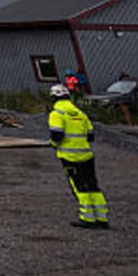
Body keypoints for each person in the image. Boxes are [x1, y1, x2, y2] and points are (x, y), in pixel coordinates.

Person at [47, 85, 108, 229]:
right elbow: (91, 136)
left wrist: (53, 144)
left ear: (54, 98)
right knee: (92, 185)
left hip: (69, 156)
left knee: (79, 187)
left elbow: (57, 135)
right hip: (86, 155)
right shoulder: (81, 114)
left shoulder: (57, 113)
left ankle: (87, 218)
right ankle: (102, 217)